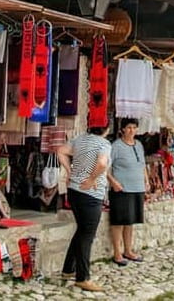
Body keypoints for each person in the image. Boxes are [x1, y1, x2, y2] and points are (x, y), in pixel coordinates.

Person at [57, 125, 111, 292]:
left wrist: (69, 171)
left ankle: (68, 269)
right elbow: (102, 164)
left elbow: (60, 151)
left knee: (81, 231)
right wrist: (92, 178)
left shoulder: (80, 139)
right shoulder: (103, 144)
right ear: (106, 129)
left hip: (74, 190)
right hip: (90, 193)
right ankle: (83, 277)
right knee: (87, 234)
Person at [107, 118, 148, 266]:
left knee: (130, 222)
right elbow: (105, 166)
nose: (131, 130)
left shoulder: (139, 145)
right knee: (119, 222)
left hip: (137, 187)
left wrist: (147, 181)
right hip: (122, 188)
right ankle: (117, 253)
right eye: (129, 127)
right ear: (123, 129)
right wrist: (113, 182)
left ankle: (128, 250)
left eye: (134, 127)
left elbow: (142, 165)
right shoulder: (116, 146)